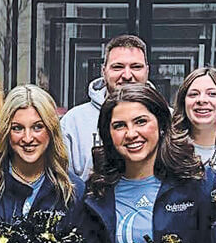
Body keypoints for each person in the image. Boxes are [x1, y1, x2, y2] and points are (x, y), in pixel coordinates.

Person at [70, 83, 216, 243]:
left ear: (161, 124)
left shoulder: (200, 182)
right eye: (119, 126)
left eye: (141, 121)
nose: (131, 133)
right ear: (108, 134)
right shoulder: (96, 192)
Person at [0, 85, 81, 231]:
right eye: (17, 128)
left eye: (38, 127)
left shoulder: (73, 191)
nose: (27, 138)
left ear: (51, 131)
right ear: (6, 132)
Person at [60, 34, 150, 182]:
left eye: (136, 67)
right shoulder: (74, 121)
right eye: (118, 67)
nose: (127, 75)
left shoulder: (166, 117)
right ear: (104, 71)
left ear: (147, 71)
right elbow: (63, 181)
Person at [172, 66, 216, 175]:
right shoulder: (168, 148)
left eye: (212, 94)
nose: (201, 100)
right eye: (193, 94)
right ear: (183, 102)